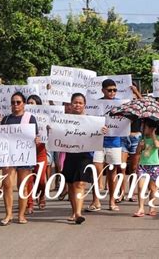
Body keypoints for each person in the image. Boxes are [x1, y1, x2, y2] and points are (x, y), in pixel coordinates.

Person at [60, 93, 107, 224]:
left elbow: (97, 133)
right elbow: (57, 134)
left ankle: (78, 213)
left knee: (80, 183)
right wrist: (51, 130)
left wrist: (102, 130)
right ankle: (74, 211)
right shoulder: (63, 120)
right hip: (69, 154)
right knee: (70, 185)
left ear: (84, 105)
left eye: (80, 103)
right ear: (71, 104)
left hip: (85, 155)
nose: (77, 105)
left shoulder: (91, 121)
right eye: (75, 102)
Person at [0, 92, 40, 226]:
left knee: (22, 186)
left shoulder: (30, 118)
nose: (15, 105)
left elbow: (35, 136)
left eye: (18, 102)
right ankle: (8, 214)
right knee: (7, 185)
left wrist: (36, 140)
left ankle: (21, 215)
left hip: (24, 156)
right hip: (9, 157)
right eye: (13, 102)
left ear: (24, 104)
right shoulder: (5, 119)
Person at [88, 79, 122, 212]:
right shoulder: (96, 105)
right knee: (96, 172)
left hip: (114, 143)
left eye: (114, 90)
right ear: (103, 90)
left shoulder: (121, 104)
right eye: (109, 90)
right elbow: (90, 122)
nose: (112, 92)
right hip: (98, 142)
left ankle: (112, 201)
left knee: (112, 174)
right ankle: (95, 201)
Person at [118, 84, 143, 203]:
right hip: (123, 137)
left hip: (135, 137)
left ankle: (131, 192)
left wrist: (136, 92)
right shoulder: (122, 106)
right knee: (121, 167)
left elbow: (144, 103)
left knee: (134, 168)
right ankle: (121, 192)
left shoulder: (139, 108)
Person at [133, 120, 159, 217]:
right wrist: (140, 146)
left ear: (151, 129)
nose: (143, 129)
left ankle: (152, 207)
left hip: (154, 165)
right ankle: (141, 208)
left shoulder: (158, 137)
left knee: (152, 188)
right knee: (141, 187)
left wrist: (153, 134)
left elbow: (157, 145)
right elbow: (137, 152)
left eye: (145, 127)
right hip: (143, 165)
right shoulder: (142, 138)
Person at [25, 94, 48, 214]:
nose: (29, 105)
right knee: (29, 179)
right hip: (26, 152)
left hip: (40, 152)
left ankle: (42, 194)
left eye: (32, 103)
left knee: (41, 180)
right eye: (27, 102)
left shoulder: (44, 117)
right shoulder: (23, 118)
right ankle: (30, 203)